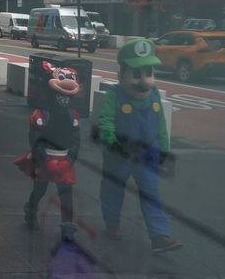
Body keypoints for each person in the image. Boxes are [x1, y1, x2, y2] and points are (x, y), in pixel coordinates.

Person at [98, 38, 182, 253]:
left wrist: (164, 149)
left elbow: (161, 124)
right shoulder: (113, 96)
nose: (143, 81)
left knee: (151, 193)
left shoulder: (153, 95)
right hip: (120, 154)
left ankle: (159, 236)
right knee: (113, 190)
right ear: (121, 75)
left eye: (148, 73)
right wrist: (113, 143)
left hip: (147, 153)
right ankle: (112, 224)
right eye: (136, 74)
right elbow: (105, 122)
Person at [14, 60, 81, 242]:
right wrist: (45, 160)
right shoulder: (40, 114)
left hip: (64, 158)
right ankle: (31, 209)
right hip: (45, 158)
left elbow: (76, 140)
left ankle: (67, 226)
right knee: (40, 189)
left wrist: (69, 159)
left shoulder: (72, 115)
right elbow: (35, 140)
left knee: (65, 194)